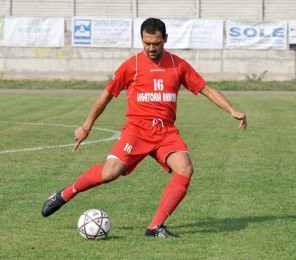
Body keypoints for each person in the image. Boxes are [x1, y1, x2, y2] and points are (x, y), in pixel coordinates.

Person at [41, 17, 247, 238]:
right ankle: (65, 194)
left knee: (185, 169)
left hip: (165, 131)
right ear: (141, 40)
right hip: (136, 130)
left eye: (156, 43)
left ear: (165, 39)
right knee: (110, 173)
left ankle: (155, 226)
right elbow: (106, 96)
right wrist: (86, 126)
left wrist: (231, 109)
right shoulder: (132, 65)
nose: (151, 48)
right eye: (147, 43)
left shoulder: (179, 65)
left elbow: (206, 89)